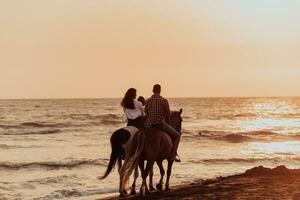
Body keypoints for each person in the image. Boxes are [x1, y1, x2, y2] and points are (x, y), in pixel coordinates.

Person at [144, 84, 181, 162]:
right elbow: (167, 114)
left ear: (152, 90)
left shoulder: (147, 101)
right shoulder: (164, 101)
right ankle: (173, 155)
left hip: (148, 125)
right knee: (177, 136)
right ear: (160, 91)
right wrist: (168, 123)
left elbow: (146, 113)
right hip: (160, 124)